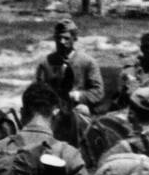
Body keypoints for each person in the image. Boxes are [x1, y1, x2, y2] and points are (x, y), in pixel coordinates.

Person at [34, 17, 104, 145]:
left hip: (79, 110)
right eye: (58, 38)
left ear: (74, 39)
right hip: (52, 112)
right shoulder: (46, 63)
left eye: (66, 38)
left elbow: (98, 92)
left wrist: (78, 96)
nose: (62, 41)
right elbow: (37, 92)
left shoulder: (87, 62)